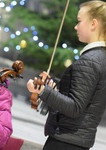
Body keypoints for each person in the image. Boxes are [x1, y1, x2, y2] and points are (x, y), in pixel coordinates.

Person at [27, 0, 106, 150]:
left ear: (93, 24)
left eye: (79, 21)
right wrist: (54, 87)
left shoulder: (90, 61)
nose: (76, 26)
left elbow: (75, 107)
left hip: (65, 142)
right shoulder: (100, 57)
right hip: (75, 141)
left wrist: (43, 91)